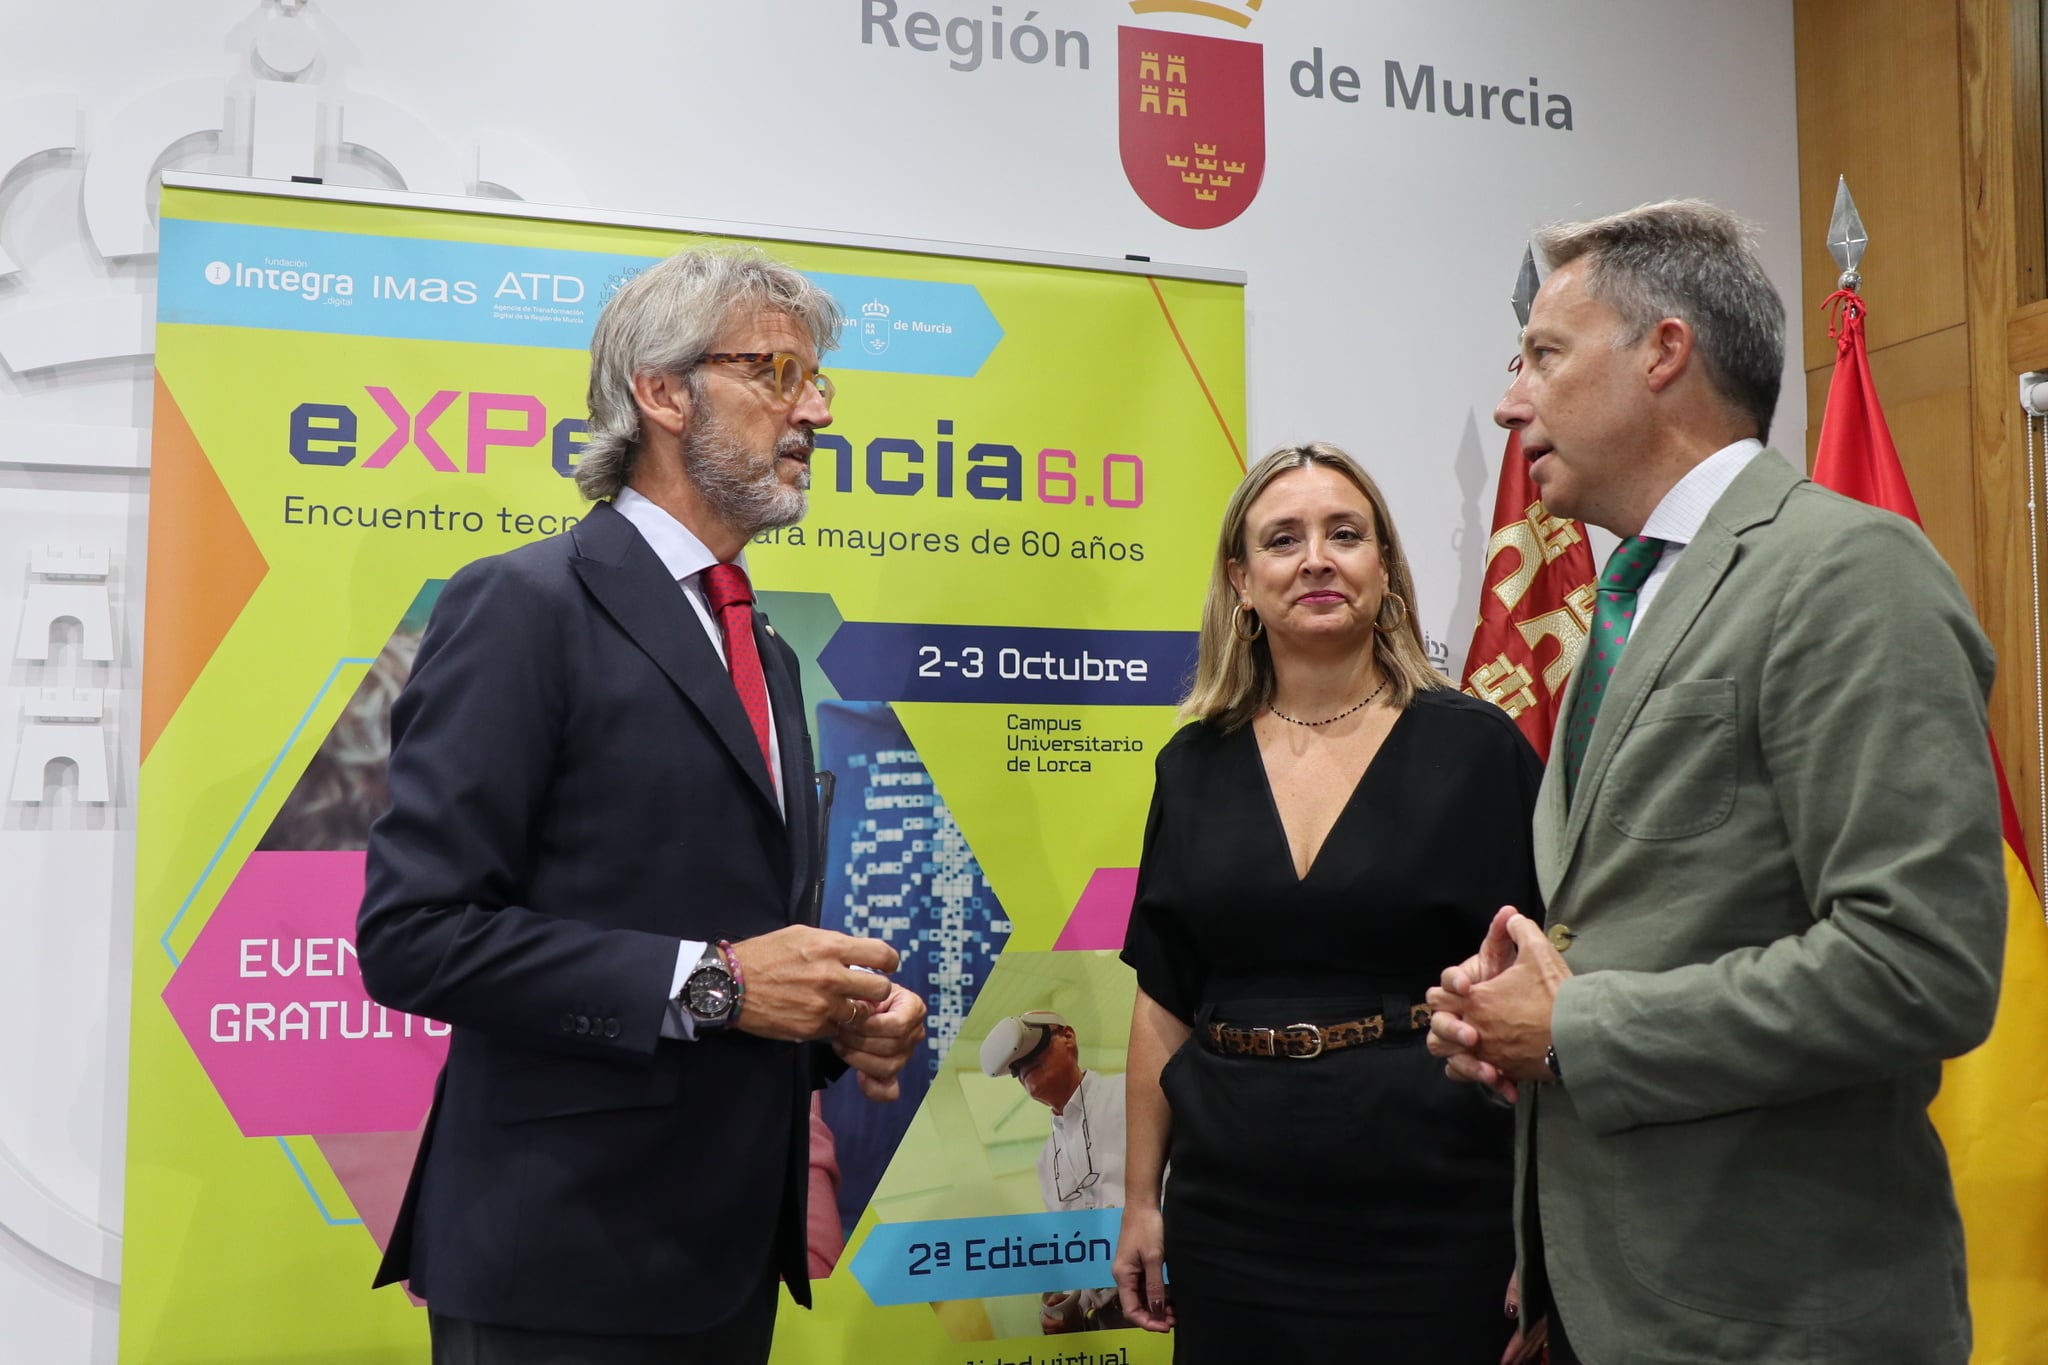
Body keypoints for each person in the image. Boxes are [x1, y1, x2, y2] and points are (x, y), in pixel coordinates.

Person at [1427, 199, 2006, 1365]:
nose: (1509, 400)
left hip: (1781, 1322)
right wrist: (1513, 1034)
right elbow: (1659, 929)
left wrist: (1575, 1026)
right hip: (1619, 1302)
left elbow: (1919, 968)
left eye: (1542, 354)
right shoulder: (1632, 597)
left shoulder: (1846, 570)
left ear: (1663, 352)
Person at [356, 247, 928, 1365]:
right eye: (774, 372)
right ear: (661, 393)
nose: (811, 408)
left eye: (815, 381)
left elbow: (738, 940)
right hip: (561, 1258)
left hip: (723, 1262)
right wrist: (715, 983)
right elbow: (412, 937)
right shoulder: (522, 605)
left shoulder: (759, 637)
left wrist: (832, 1016)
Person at [1111, 443, 1544, 1363]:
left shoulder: (1480, 752)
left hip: (1434, 1207)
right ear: (1242, 580)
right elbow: (1162, 1000)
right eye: (1283, 539)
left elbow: (1547, 996)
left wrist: (1541, 1225)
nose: (1316, 558)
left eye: (1344, 533)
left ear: (1383, 569)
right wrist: (1141, 1199)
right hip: (1230, 1211)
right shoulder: (1190, 764)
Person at [979, 1010, 1128, 1333]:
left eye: (1033, 1051)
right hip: (1109, 1325)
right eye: (1014, 1069)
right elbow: (1075, 1253)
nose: (1023, 1070)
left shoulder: (1132, 1095)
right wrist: (1068, 1310)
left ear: (1068, 1038)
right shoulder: (1046, 1162)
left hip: (1174, 1300)